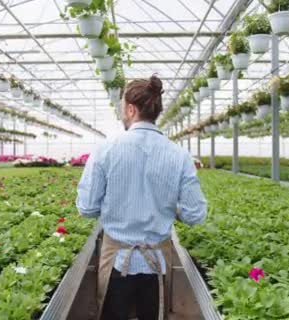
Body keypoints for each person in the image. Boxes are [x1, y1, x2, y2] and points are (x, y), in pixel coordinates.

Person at [76, 75, 208, 320]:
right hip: (156, 265)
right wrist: (169, 207)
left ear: (130, 108)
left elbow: (86, 207)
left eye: (122, 110)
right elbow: (195, 214)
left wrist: (113, 203)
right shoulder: (179, 155)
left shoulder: (105, 151)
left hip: (116, 263)